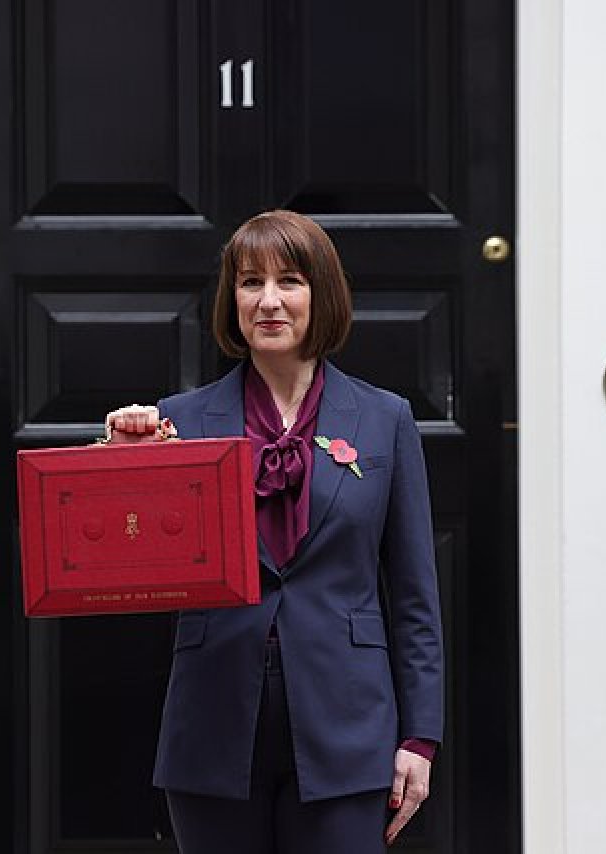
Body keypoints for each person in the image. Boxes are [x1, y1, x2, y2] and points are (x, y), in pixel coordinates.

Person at [105, 210, 444, 854]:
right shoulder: (180, 419)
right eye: (248, 282)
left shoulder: (383, 419)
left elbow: (414, 596)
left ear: (322, 294)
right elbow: (131, 573)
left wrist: (419, 737)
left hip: (348, 723)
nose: (267, 301)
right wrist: (124, 463)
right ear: (230, 299)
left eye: (288, 281)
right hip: (211, 724)